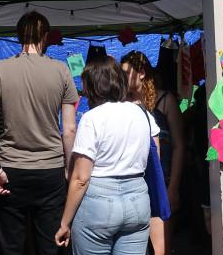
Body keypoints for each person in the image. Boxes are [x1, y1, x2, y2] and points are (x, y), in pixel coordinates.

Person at [0, 11, 79, 255]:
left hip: (11, 171)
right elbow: (70, 129)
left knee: (11, 246)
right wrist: (67, 169)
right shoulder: (61, 70)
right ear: (45, 37)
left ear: (19, 35)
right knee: (49, 244)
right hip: (51, 171)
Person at [55, 55, 159, 254]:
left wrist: (65, 222)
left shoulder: (91, 119)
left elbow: (81, 178)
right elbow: (155, 159)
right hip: (137, 198)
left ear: (92, 85)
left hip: (99, 202)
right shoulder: (142, 114)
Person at [120, 51, 185, 255]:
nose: (122, 78)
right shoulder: (122, 105)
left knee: (160, 248)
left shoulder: (165, 100)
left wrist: (173, 188)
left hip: (161, 183)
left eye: (126, 73)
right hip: (133, 185)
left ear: (141, 73)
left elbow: (179, 146)